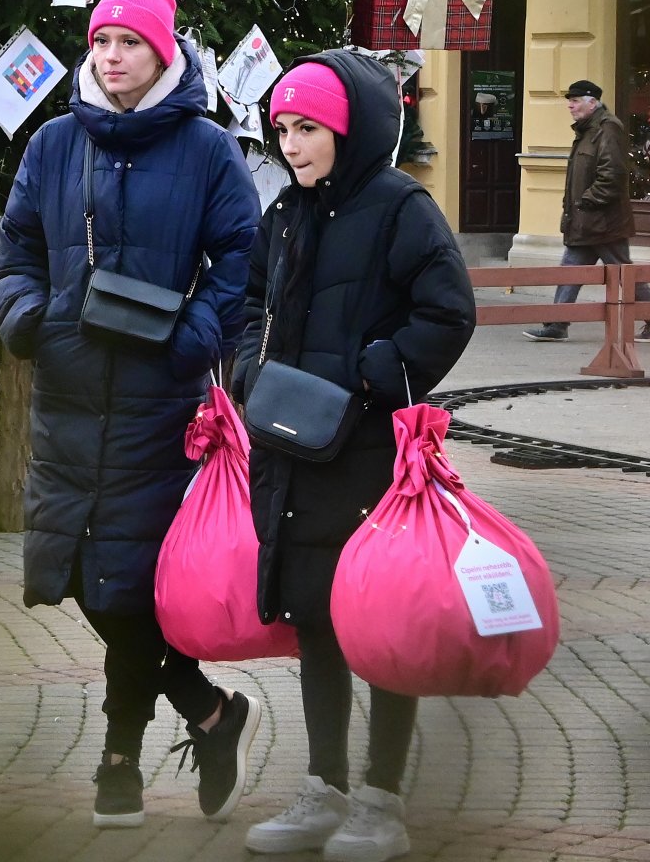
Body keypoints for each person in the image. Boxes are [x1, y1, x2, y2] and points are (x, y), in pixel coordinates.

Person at [0, 0, 263, 829]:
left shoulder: (209, 150)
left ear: (163, 52)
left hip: (159, 404)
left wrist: (192, 340)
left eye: (130, 43)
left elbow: (239, 263)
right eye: (102, 41)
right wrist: (27, 317)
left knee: (133, 582)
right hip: (69, 391)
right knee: (84, 576)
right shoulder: (52, 143)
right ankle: (212, 713)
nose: (112, 57)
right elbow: (16, 249)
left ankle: (120, 762)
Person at [236, 50, 475, 860]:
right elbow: (246, 301)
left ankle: (382, 799)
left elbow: (448, 311)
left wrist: (376, 375)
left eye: (308, 129)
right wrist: (249, 372)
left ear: (348, 128)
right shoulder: (287, 211)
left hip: (369, 455)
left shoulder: (401, 205)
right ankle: (323, 787)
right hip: (293, 448)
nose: (293, 145)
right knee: (315, 623)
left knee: (383, 626)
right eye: (284, 130)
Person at [524, 79, 650, 343]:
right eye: (569, 101)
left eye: (575, 101)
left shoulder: (607, 129)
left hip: (605, 222)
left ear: (592, 103)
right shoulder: (587, 130)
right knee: (570, 268)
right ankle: (557, 324)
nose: (570, 106)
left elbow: (613, 174)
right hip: (586, 221)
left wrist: (587, 201)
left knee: (622, 272)